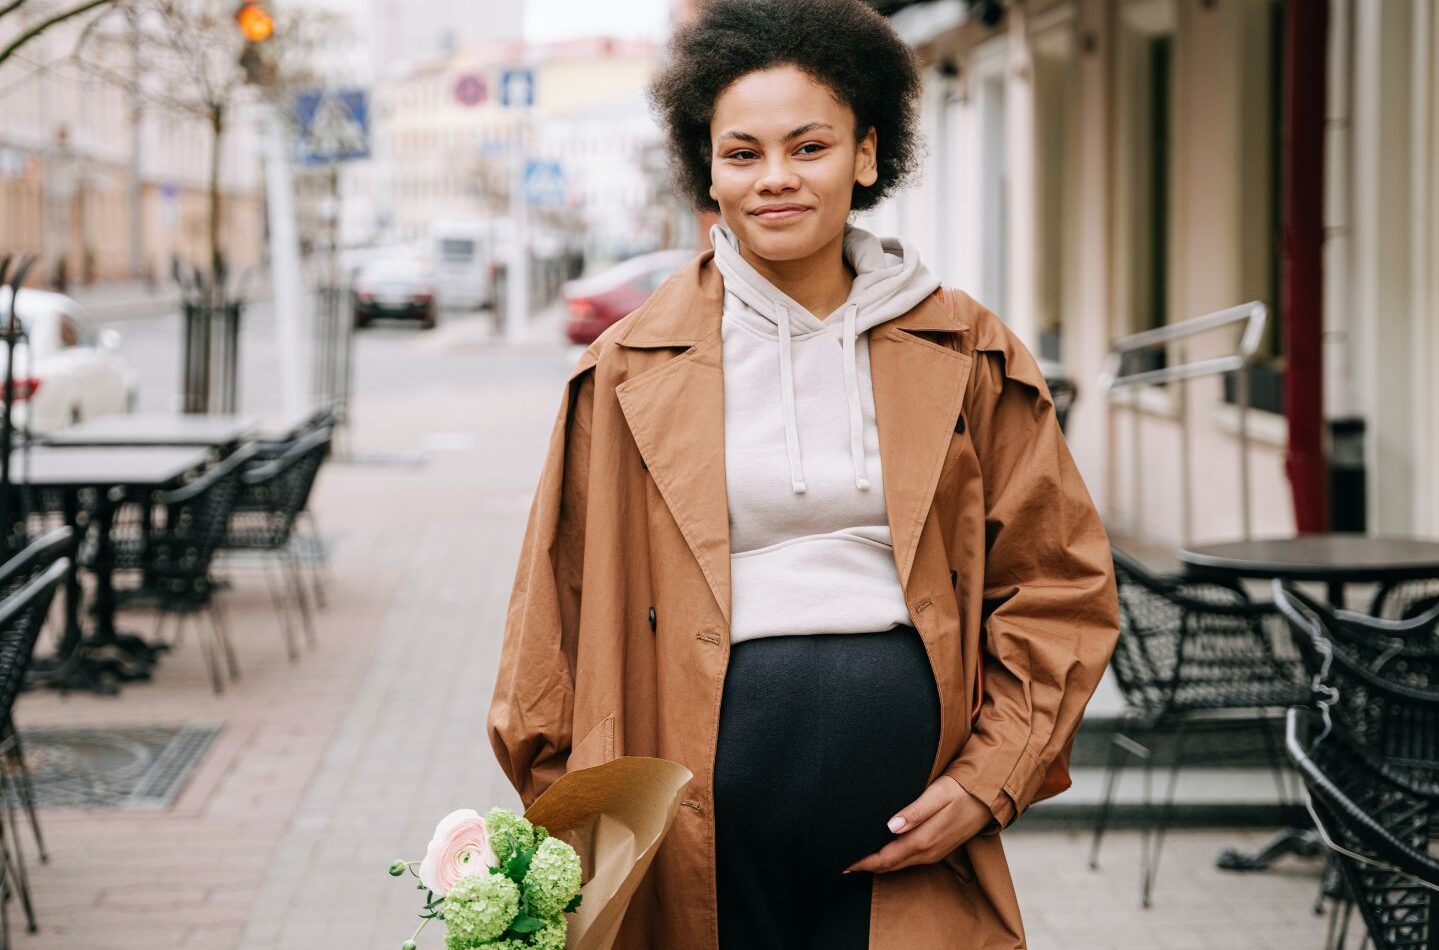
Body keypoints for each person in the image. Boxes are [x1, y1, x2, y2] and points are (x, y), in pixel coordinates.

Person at [487, 1, 1120, 948]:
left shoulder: (967, 348)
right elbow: (552, 620)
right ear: (708, 168)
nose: (774, 179)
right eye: (741, 153)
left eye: (808, 146)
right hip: (685, 847)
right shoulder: (627, 368)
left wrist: (989, 782)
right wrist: (576, 834)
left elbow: (1059, 585)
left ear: (865, 155)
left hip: (912, 845)